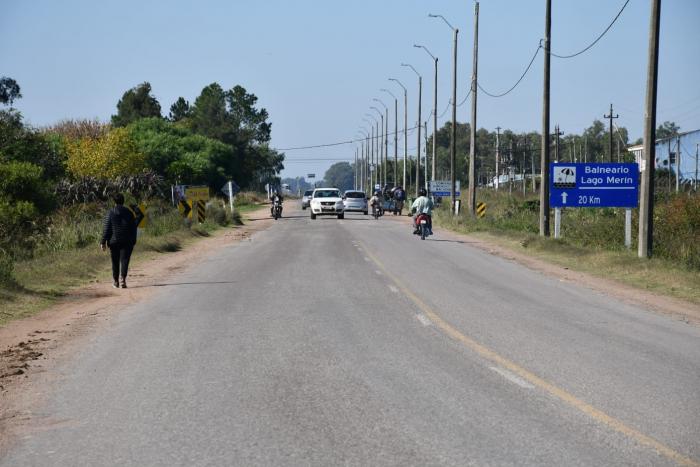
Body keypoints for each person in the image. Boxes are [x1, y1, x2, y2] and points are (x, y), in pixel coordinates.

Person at [100, 193, 143, 289]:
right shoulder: (129, 212)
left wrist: (103, 242)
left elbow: (107, 228)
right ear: (123, 201)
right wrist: (135, 207)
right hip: (127, 241)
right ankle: (123, 279)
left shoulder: (110, 212)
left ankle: (116, 282)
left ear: (114, 202)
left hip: (114, 241)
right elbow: (139, 218)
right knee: (125, 260)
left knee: (115, 262)